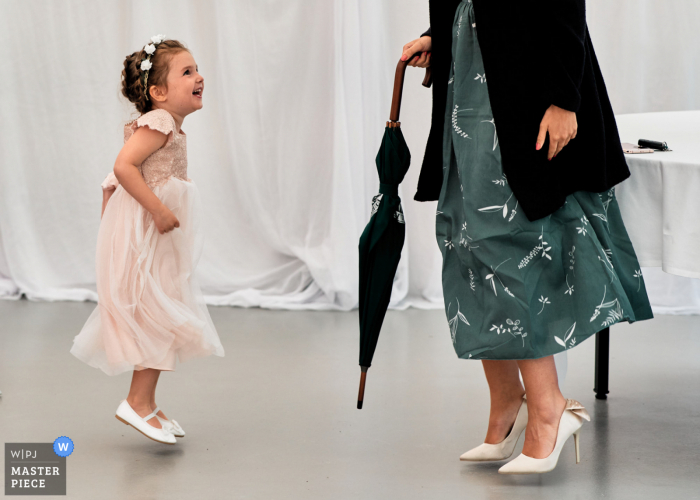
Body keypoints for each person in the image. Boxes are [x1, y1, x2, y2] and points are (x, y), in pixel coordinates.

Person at [401, 1, 653, 474]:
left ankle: (548, 408)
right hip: (471, 79)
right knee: (467, 242)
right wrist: (438, 35)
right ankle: (507, 405)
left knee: (509, 245)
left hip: (528, 88)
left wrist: (564, 97)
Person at [71, 35, 224, 445]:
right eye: (187, 72)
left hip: (151, 233)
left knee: (162, 308)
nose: (199, 77)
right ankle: (136, 403)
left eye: (197, 69)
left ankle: (148, 403)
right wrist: (157, 210)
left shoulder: (168, 125)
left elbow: (119, 177)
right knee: (159, 312)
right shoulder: (158, 121)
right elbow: (123, 167)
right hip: (148, 231)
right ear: (158, 92)